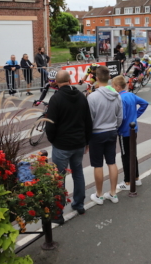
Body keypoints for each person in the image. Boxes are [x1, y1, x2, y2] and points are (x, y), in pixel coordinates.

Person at [45, 70, 92, 223]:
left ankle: (58, 214)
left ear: (56, 82)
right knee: (78, 172)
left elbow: (50, 124)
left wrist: (53, 140)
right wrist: (87, 141)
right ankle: (79, 204)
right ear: (70, 79)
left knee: (58, 178)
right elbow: (88, 121)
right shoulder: (80, 96)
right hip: (78, 143)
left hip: (62, 145)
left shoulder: (56, 98)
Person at [87, 66, 123, 205]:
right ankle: (113, 193)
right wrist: (115, 127)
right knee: (112, 162)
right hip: (112, 131)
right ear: (109, 78)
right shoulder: (116, 95)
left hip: (97, 133)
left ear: (96, 77)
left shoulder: (92, 97)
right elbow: (120, 116)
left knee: (98, 165)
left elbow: (89, 119)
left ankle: (99, 194)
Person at [111, 75, 148, 190]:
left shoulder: (120, 98)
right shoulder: (131, 95)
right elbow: (144, 103)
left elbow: (121, 117)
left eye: (113, 86)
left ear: (117, 86)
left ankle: (127, 181)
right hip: (133, 129)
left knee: (125, 155)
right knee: (132, 153)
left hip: (124, 131)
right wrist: (135, 116)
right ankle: (136, 177)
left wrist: (116, 126)